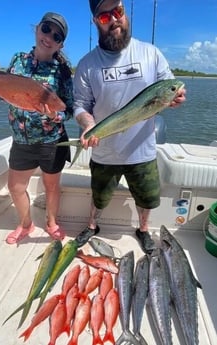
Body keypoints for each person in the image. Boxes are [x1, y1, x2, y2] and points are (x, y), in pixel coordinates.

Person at [73, 0, 186, 253]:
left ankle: (143, 230)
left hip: (142, 151)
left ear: (125, 12)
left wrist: (175, 98)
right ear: (96, 22)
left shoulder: (151, 53)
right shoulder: (86, 64)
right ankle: (92, 225)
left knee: (145, 199)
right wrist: (88, 124)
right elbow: (80, 105)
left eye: (118, 11)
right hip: (104, 151)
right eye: (104, 17)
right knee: (99, 197)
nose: (113, 20)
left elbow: (169, 87)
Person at [0, 12, 73, 244]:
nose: (49, 37)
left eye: (56, 36)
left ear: (60, 44)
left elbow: (68, 110)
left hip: (52, 141)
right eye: (47, 29)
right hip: (21, 139)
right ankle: (26, 224)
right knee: (15, 187)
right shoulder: (18, 60)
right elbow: (6, 95)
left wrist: (56, 116)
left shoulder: (63, 73)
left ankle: (51, 222)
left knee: (51, 187)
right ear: (37, 28)